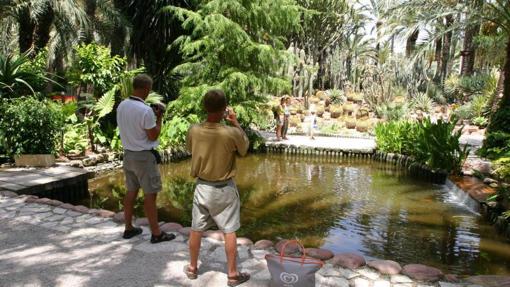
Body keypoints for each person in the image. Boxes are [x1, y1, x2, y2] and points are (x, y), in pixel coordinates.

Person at [184, 89, 250, 286]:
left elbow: (190, 149)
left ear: (204, 107)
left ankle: (193, 268)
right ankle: (232, 274)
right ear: (224, 109)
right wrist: (235, 122)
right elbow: (244, 149)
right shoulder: (231, 133)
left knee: (196, 228)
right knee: (229, 231)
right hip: (225, 189)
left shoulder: (194, 130)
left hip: (202, 187)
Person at [116, 74, 175, 243]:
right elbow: (153, 135)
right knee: (150, 194)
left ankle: (128, 228)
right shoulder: (145, 110)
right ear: (146, 89)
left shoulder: (122, 105)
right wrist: (159, 118)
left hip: (128, 155)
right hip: (143, 157)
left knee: (131, 191)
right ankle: (156, 233)